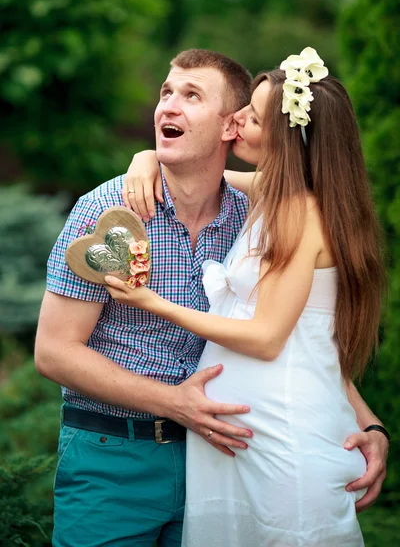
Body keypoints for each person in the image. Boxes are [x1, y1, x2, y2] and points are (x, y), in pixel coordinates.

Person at [105, 47, 389, 546]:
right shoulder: (274, 193)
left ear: (284, 137)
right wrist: (146, 155)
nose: (235, 120)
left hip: (283, 439)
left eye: (251, 116)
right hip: (245, 442)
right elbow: (196, 173)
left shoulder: (299, 213)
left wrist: (154, 303)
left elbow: (266, 338)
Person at [35, 50, 256, 547]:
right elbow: (53, 352)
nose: (168, 107)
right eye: (166, 92)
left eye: (191, 95)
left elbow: (289, 333)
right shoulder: (104, 210)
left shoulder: (253, 220)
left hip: (220, 466)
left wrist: (368, 423)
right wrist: (175, 403)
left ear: (231, 127)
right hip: (110, 456)